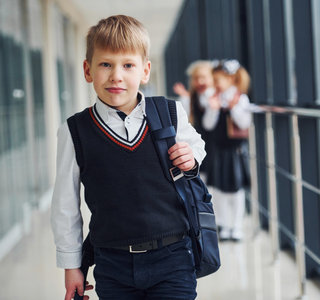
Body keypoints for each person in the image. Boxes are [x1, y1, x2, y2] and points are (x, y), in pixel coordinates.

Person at [51, 15, 205, 300]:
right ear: (88, 70)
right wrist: (72, 265)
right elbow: (65, 204)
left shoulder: (170, 113)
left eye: (128, 65)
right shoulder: (74, 132)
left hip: (172, 257)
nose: (116, 76)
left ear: (145, 71)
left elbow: (197, 146)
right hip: (112, 263)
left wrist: (191, 157)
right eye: (105, 64)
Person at [202, 59, 251, 241]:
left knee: (236, 190)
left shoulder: (240, 98)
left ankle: (236, 226)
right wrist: (213, 109)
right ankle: (223, 224)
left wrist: (232, 107)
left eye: (220, 79)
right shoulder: (214, 98)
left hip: (235, 150)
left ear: (231, 79)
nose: (217, 83)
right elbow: (208, 125)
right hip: (218, 149)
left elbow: (244, 123)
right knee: (218, 189)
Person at [172, 60, 215, 180]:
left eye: (204, 77)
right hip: (198, 145)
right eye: (196, 78)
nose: (200, 81)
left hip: (214, 146)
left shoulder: (214, 97)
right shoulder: (191, 99)